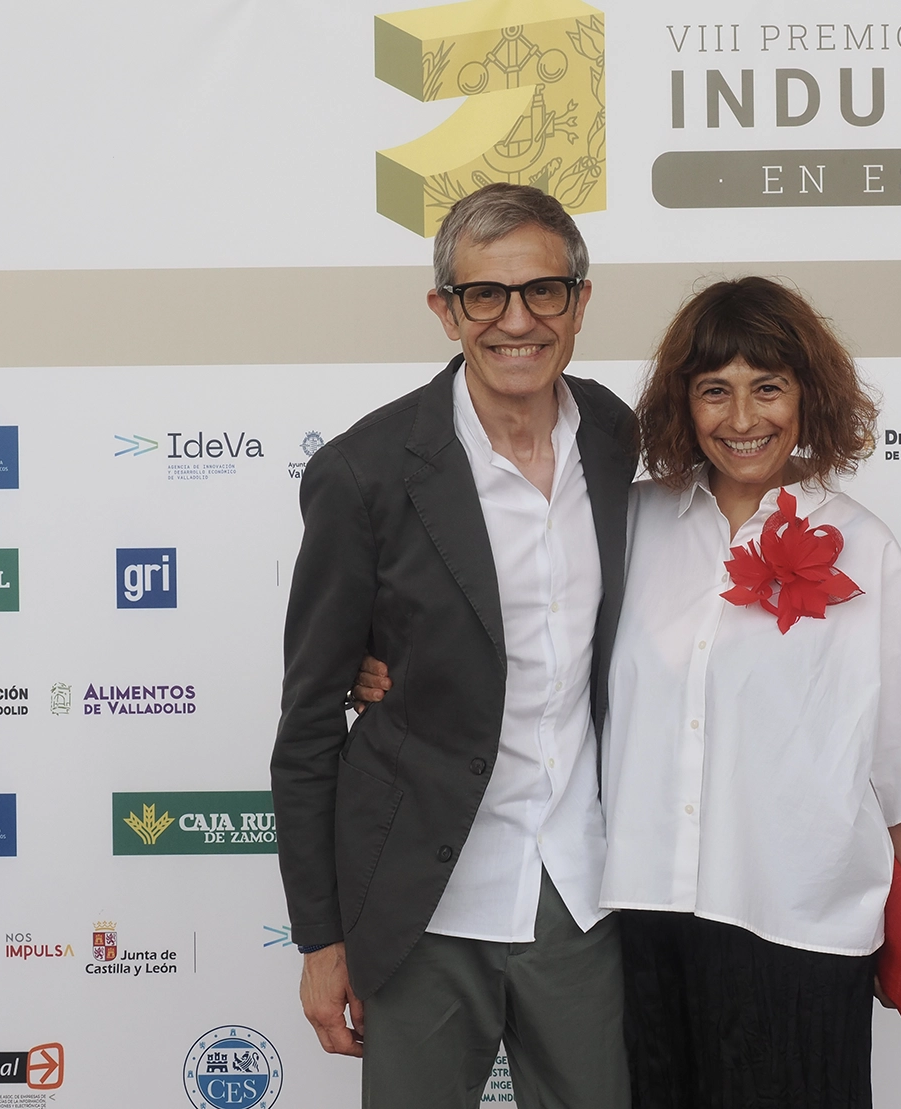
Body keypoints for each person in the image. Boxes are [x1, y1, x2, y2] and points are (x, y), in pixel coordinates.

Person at [355, 277, 901, 1107]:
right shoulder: (633, 521)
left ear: (808, 396)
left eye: (768, 388)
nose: (742, 418)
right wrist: (381, 661)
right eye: (716, 390)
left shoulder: (865, 546)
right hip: (645, 915)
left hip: (798, 919)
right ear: (684, 402)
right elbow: (528, 622)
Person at [271, 183, 636, 1109]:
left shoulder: (615, 435)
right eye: (486, 295)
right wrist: (320, 941)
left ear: (581, 301)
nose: (517, 320)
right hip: (421, 901)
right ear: (445, 310)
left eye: (544, 290)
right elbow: (309, 722)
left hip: (580, 889)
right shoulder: (365, 473)